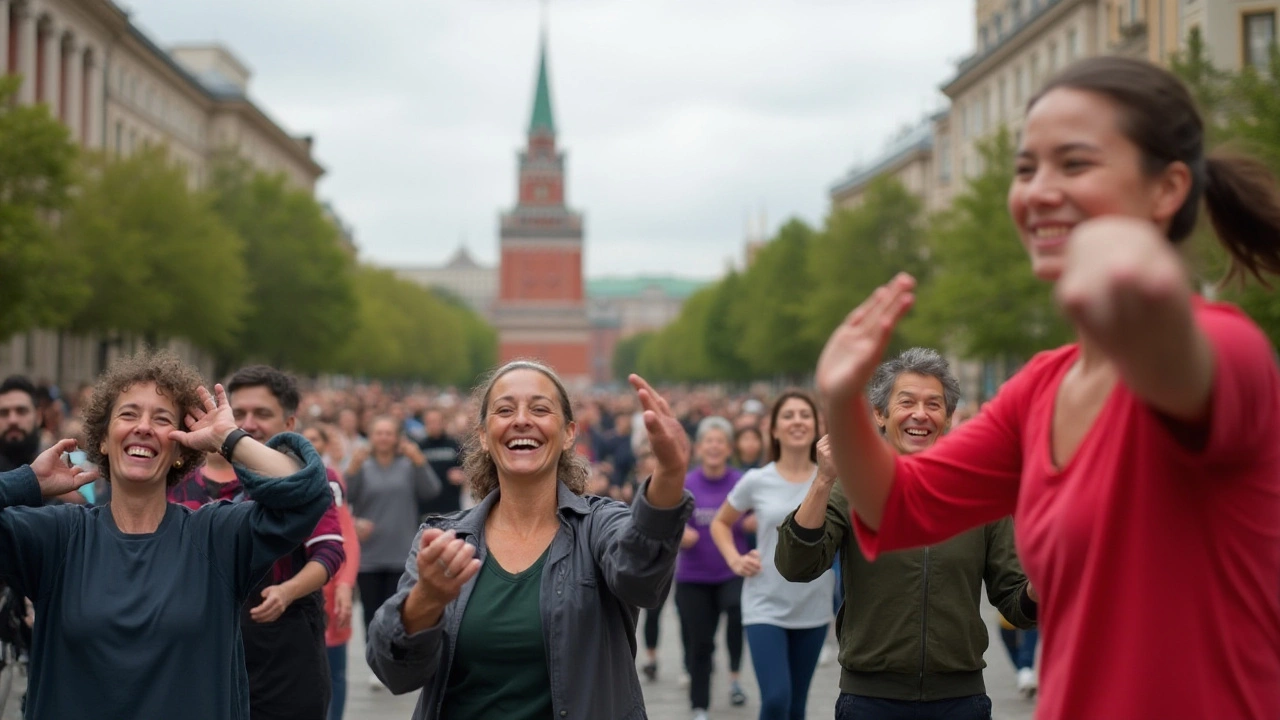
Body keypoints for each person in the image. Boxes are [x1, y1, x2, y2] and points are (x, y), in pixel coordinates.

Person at [815, 56, 1280, 720]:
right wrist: (841, 397)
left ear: (1167, 189)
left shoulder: (1225, 350)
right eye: (1026, 168)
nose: (1037, 190)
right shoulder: (1040, 388)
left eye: (1075, 164)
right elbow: (896, 505)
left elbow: (1175, 361)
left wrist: (1135, 281)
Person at [0, 349, 331, 718]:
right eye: (128, 414)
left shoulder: (216, 537)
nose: (143, 426)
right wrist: (25, 482)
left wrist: (229, 438)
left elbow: (309, 494)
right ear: (104, 441)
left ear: (179, 448)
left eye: (161, 419)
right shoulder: (55, 538)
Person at [365, 362, 693, 719]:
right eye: (505, 410)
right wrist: (425, 600)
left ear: (569, 433)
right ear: (485, 435)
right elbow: (394, 671)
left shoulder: (599, 525)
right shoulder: (443, 540)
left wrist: (670, 475)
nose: (521, 420)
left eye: (540, 409)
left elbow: (642, 577)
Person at [776, 348, 1036, 720]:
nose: (920, 414)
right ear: (880, 415)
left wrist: (1040, 585)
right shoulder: (853, 486)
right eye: (907, 402)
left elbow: (1015, 603)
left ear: (947, 417)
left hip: (960, 701)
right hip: (869, 700)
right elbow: (795, 566)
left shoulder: (980, 492)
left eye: (934, 404)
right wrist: (823, 479)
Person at [164, 365, 344, 720]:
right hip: (197, 646)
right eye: (240, 412)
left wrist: (287, 591)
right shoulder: (178, 483)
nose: (248, 422)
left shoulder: (310, 483)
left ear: (289, 424)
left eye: (262, 413)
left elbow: (330, 550)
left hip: (283, 646)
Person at [710, 390, 834, 720]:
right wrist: (735, 559)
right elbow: (721, 523)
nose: (797, 422)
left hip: (813, 603)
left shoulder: (830, 480)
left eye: (805, 415)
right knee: (777, 699)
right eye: (789, 416)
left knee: (796, 708)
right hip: (765, 603)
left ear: (816, 426)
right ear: (775, 430)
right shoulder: (757, 480)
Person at [346, 417, 441, 646]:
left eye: (389, 433)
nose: (384, 438)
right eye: (379, 433)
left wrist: (419, 461)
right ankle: (374, 654)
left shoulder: (408, 465)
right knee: (370, 611)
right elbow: (344, 497)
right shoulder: (362, 465)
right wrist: (351, 470)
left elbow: (431, 490)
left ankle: (394, 654)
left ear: (397, 437)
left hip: (401, 552)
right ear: (371, 437)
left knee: (398, 610)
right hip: (369, 553)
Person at [677, 416, 748, 720]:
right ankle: (699, 706)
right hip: (693, 577)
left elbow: (760, 515)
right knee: (701, 643)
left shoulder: (742, 482)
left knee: (736, 613)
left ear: (729, 448)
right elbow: (665, 521)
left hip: (732, 570)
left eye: (721, 441)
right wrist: (679, 533)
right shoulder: (685, 483)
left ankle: (734, 678)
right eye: (709, 441)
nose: (715, 446)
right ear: (698, 448)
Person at [302, 425, 361, 720]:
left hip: (328, 590)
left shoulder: (330, 481)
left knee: (333, 672)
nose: (309, 444)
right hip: (292, 595)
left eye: (315, 440)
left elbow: (346, 536)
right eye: (305, 439)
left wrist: (343, 586)